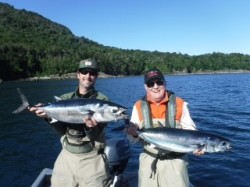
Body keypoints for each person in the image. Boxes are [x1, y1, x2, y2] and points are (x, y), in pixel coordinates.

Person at [29, 59, 111, 187]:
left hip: (92, 160)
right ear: (78, 74)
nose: (88, 76)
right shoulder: (65, 99)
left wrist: (90, 128)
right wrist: (48, 117)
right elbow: (61, 131)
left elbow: (94, 135)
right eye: (84, 72)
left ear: (96, 77)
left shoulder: (103, 101)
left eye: (92, 73)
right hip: (66, 158)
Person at [126, 68, 204, 187]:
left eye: (159, 82)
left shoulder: (179, 103)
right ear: (145, 87)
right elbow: (132, 139)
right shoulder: (138, 106)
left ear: (165, 83)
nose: (155, 86)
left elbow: (192, 131)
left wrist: (199, 146)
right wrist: (133, 133)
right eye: (150, 84)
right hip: (148, 162)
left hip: (176, 163)